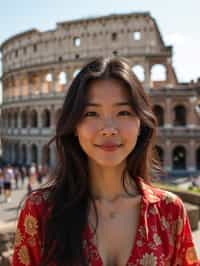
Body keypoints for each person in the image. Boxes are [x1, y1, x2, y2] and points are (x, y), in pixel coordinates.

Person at [12, 57, 199, 266]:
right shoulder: (39, 212)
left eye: (124, 112)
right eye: (92, 113)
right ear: (74, 125)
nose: (109, 128)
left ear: (141, 124)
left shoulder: (170, 211)